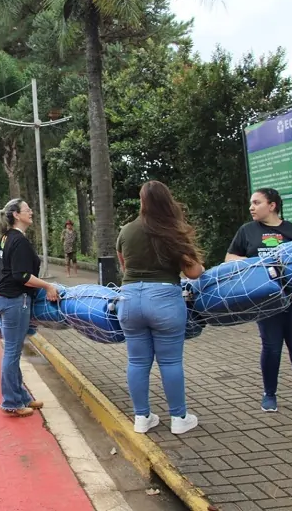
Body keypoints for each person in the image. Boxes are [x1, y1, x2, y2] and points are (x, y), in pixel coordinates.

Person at [225, 187, 292, 414]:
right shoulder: (247, 231)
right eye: (251, 203)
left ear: (272, 206)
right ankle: (269, 394)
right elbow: (230, 258)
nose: (251, 207)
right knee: (271, 348)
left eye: (257, 202)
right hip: (265, 301)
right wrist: (254, 264)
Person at [116, 181, 205, 435]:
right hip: (165, 299)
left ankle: (142, 418)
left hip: (130, 299)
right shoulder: (172, 230)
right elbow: (194, 271)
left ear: (142, 201)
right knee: (170, 362)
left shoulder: (126, 230)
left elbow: (124, 266)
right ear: (167, 201)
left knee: (137, 361)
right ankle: (179, 418)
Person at [0, 199, 60, 417]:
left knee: (13, 351)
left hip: (2, 299)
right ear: (16, 215)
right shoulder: (18, 240)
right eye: (27, 209)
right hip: (14, 300)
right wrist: (48, 285)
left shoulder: (5, 238)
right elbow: (21, 275)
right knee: (12, 352)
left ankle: (21, 397)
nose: (31, 211)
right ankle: (11, 401)